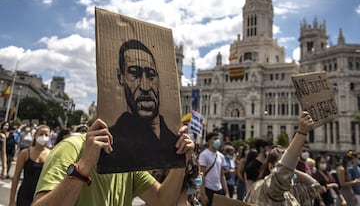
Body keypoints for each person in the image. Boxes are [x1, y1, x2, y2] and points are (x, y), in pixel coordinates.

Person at [32, 119, 194, 206]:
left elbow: (162, 201)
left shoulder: (128, 160)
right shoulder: (71, 148)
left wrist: (180, 162)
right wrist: (84, 165)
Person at [97, 39, 184, 173]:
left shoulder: (175, 142)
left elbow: (161, 194)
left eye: (151, 75)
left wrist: (183, 161)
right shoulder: (110, 143)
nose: (145, 86)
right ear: (120, 77)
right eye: (134, 73)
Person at [244, 111, 321, 206]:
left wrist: (293, 171)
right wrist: (301, 133)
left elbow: (314, 186)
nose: (287, 168)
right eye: (281, 163)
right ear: (271, 167)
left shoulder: (291, 192)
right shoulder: (261, 188)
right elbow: (282, 173)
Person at [9, 124, 51, 206]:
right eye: (41, 134)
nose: (44, 137)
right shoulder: (25, 153)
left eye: (46, 135)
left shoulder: (51, 154)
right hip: (24, 195)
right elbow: (16, 177)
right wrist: (12, 200)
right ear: (35, 135)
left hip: (41, 196)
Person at [199, 132, 229, 206]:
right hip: (208, 188)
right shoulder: (204, 155)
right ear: (209, 141)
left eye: (218, 139)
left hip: (218, 189)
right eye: (215, 139)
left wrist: (226, 192)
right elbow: (201, 175)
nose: (217, 141)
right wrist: (202, 193)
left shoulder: (221, 156)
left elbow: (222, 175)